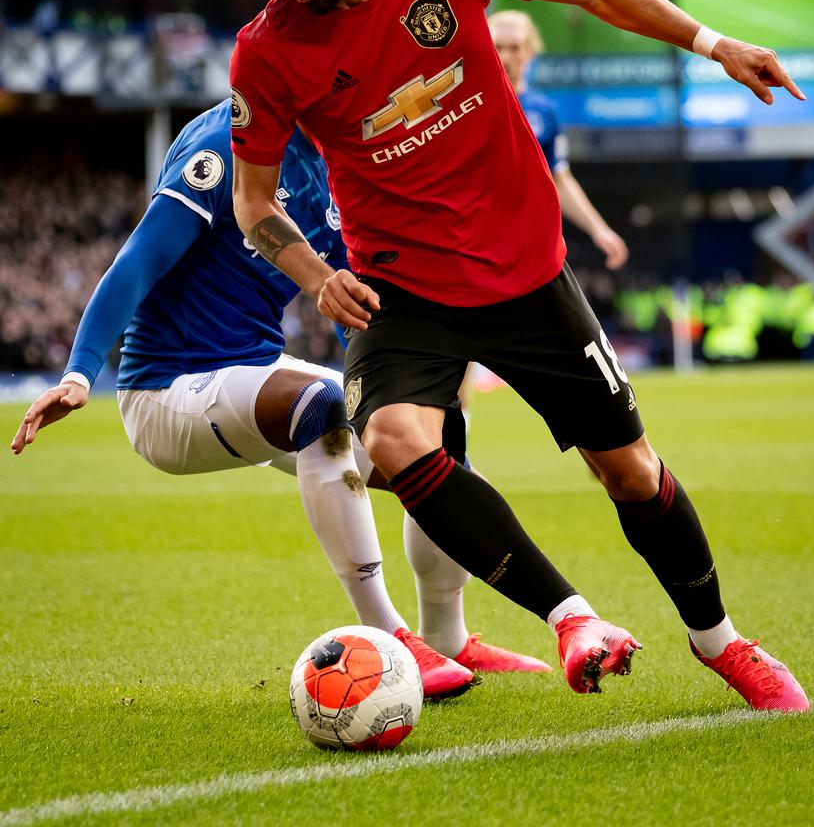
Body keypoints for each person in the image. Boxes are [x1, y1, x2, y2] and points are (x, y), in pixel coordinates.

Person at [216, 0, 808, 711]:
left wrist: (711, 42)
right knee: (393, 439)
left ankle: (723, 644)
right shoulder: (267, 53)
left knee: (632, 473)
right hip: (402, 291)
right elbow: (253, 201)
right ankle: (572, 619)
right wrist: (312, 272)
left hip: (527, 275)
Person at [10, 98, 552, 699]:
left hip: (256, 374)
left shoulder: (334, 158)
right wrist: (81, 374)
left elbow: (351, 298)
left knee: (433, 438)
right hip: (167, 389)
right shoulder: (222, 145)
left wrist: (398, 387)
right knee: (319, 404)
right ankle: (390, 638)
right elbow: (137, 262)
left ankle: (446, 639)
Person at [488, 8, 628, 270]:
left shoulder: (544, 112)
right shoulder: (466, 107)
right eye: (497, 46)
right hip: (475, 245)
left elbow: (559, 177)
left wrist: (599, 230)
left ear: (529, 52)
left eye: (514, 47)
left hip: (527, 246)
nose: (505, 57)